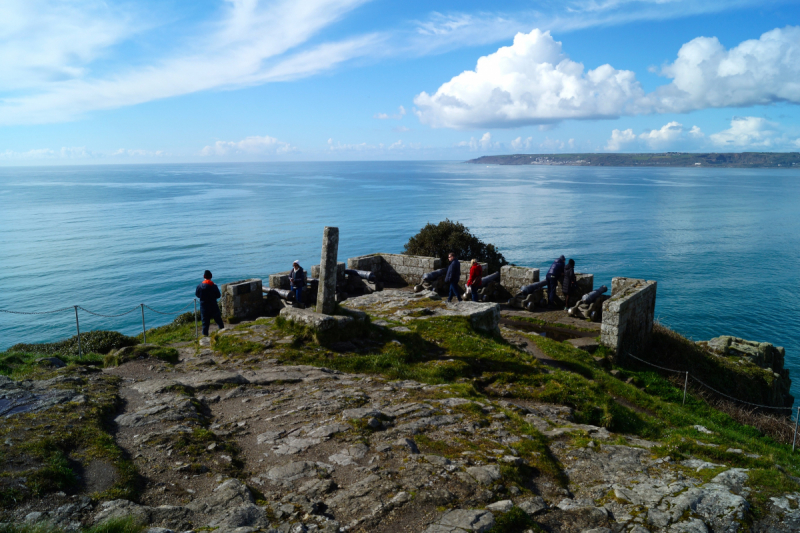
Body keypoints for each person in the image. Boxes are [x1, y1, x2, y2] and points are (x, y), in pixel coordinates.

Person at [195, 270, 224, 336]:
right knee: (219, 321)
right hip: (213, 305)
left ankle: (205, 337)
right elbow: (218, 295)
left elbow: (197, 295)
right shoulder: (213, 286)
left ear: (204, 276)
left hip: (204, 306)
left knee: (205, 324)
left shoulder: (199, 286)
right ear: (211, 276)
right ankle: (222, 334)